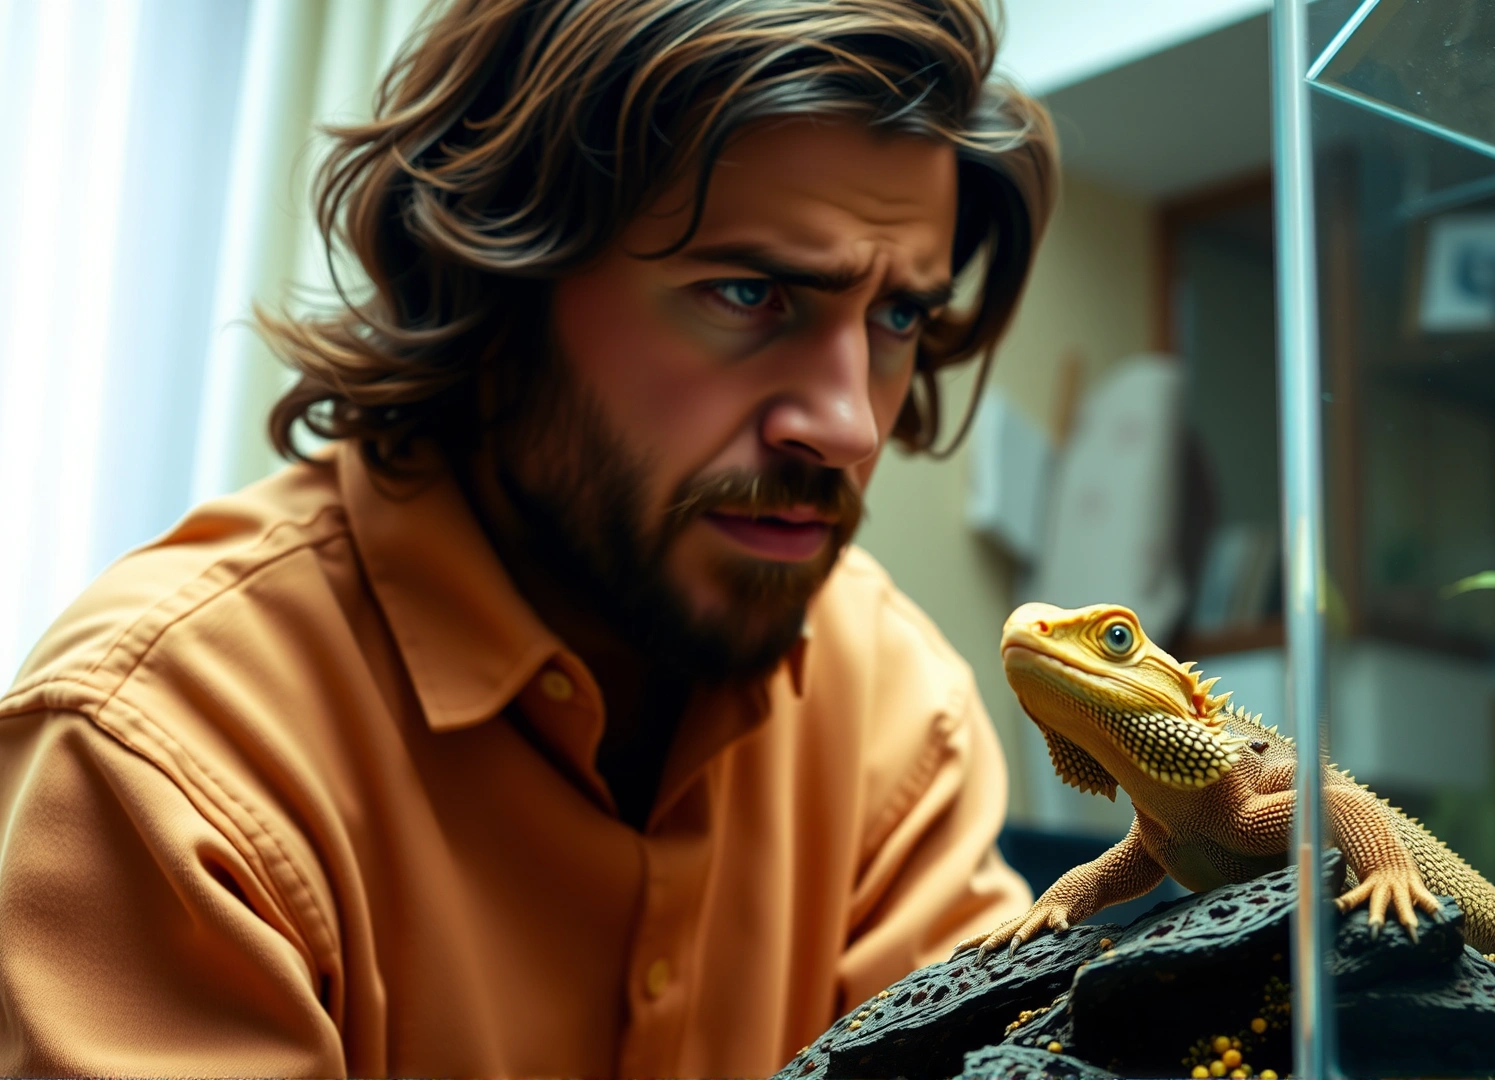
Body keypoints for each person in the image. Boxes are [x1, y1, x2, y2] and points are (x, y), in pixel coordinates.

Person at [0, 0, 1056, 1074]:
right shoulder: (165, 755)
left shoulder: (896, 712)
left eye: (897, 319)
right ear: (498, 283)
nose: (849, 425)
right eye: (749, 293)